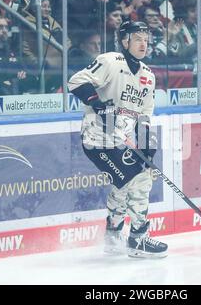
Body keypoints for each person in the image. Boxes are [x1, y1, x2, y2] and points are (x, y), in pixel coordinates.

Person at [68, 20, 168, 258]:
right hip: (97, 139)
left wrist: (147, 148)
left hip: (119, 141)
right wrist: (98, 104)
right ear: (125, 41)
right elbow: (75, 82)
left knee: (125, 183)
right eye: (137, 38)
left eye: (146, 39)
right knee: (139, 181)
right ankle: (138, 238)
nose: (143, 43)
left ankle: (113, 235)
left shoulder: (148, 75)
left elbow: (144, 117)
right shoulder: (110, 61)